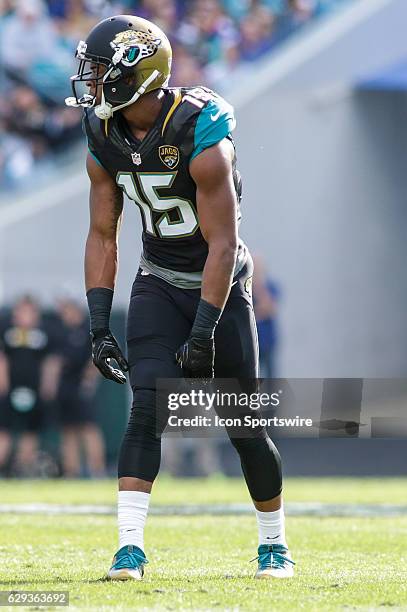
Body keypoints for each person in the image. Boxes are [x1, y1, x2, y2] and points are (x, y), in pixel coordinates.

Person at [66, 14, 294, 580]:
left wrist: (202, 334)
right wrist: (98, 323)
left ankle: (274, 544)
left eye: (100, 72)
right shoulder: (102, 134)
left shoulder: (199, 131)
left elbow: (223, 245)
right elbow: (102, 232)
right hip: (159, 279)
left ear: (137, 73)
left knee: (244, 425)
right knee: (145, 410)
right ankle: (129, 549)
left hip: (222, 284)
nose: (91, 83)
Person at [0, 296, 61, 476]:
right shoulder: (7, 331)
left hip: (34, 390)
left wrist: (48, 385)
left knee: (30, 432)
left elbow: (51, 362)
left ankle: (22, 470)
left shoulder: (43, 335)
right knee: (5, 430)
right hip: (10, 390)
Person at [56, 297, 105, 478]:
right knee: (68, 430)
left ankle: (96, 470)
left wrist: (89, 381)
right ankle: (72, 472)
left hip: (81, 387)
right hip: (65, 388)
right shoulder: (61, 332)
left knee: (88, 428)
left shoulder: (89, 331)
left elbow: (97, 360)